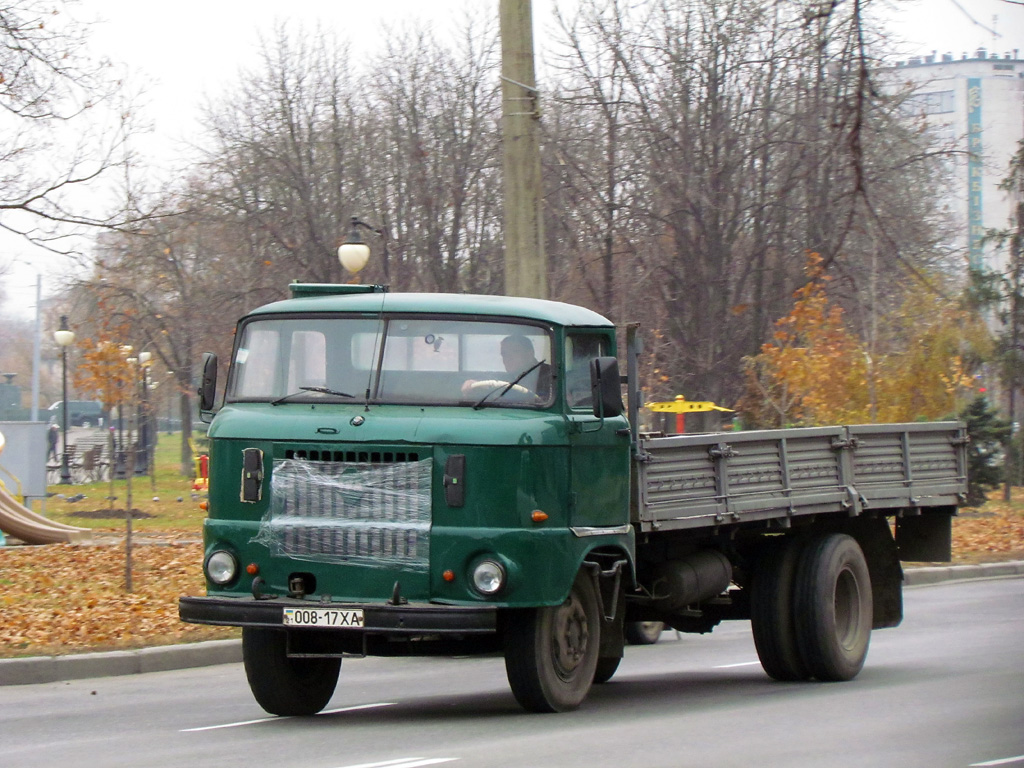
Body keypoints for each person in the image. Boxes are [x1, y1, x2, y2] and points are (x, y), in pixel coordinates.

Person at [461, 333, 551, 402]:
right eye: (504, 354)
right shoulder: (509, 376)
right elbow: (492, 379)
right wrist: (473, 383)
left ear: (530, 353)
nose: (508, 358)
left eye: (515, 352)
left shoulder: (550, 376)